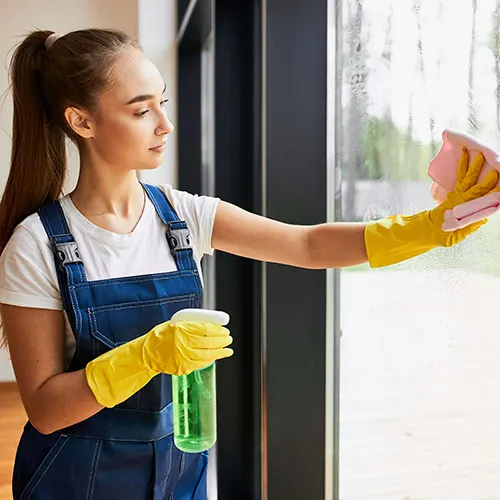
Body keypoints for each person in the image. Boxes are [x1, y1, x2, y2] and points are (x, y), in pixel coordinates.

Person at [0, 28, 497, 500]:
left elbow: (307, 246)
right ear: (81, 122)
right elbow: (45, 410)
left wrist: (430, 229)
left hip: (180, 468)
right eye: (140, 110)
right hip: (77, 477)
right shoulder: (37, 244)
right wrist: (144, 356)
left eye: (163, 103)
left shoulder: (182, 216)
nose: (165, 124)